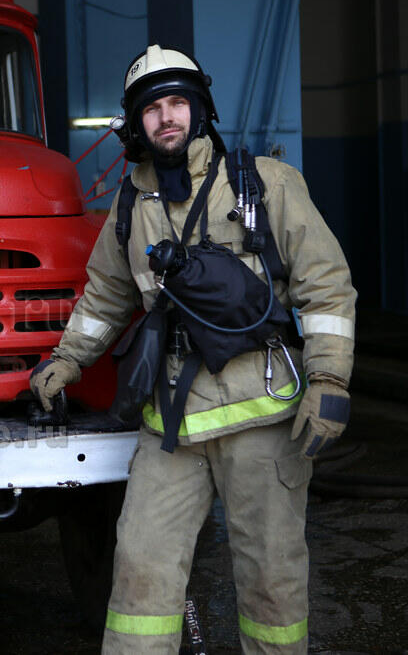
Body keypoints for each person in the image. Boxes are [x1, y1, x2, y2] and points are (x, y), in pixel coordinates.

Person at [30, 45, 355, 653]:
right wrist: (69, 358)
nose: (166, 117)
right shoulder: (131, 203)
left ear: (200, 109)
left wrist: (330, 381)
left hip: (262, 415)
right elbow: (106, 296)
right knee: (139, 573)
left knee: (272, 580)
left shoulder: (265, 184)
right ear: (136, 123)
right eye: (152, 108)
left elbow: (326, 285)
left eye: (177, 102)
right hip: (171, 426)